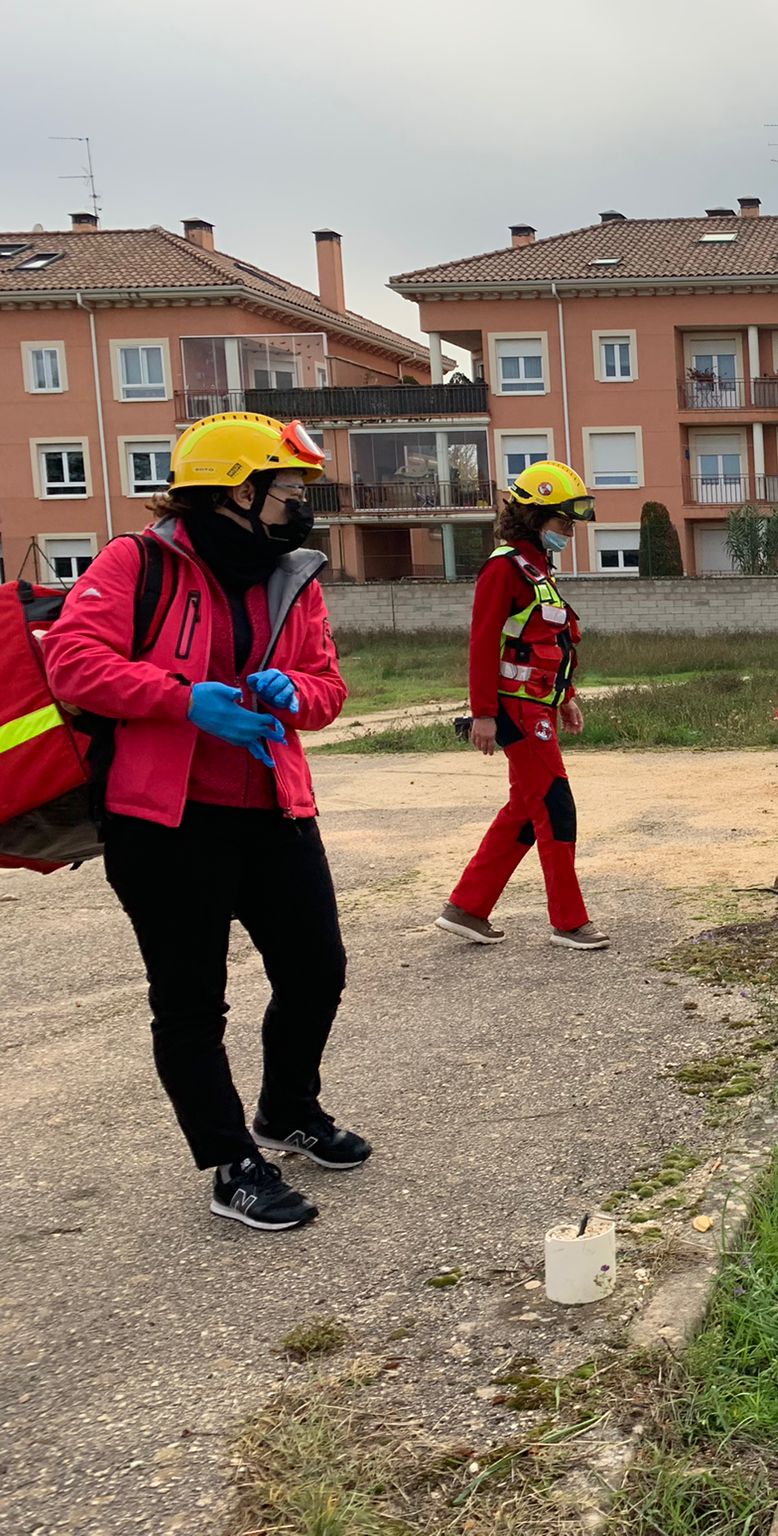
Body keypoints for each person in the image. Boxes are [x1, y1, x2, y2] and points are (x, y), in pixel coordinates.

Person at [40, 412, 362, 1232]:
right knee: (191, 1005)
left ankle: (287, 1110)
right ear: (236, 492)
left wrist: (299, 692)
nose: (300, 507)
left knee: (316, 970)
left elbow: (326, 687)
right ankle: (230, 1163)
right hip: (165, 821)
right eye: (288, 491)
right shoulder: (135, 561)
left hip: (273, 805)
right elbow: (72, 661)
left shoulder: (294, 576)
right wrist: (184, 701)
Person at [436, 462, 608, 950]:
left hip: (537, 708)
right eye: (562, 523)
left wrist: (567, 698)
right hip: (514, 712)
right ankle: (569, 922)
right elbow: (483, 642)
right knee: (556, 806)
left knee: (523, 810)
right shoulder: (503, 568)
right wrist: (483, 714)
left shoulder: (538, 573)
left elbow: (549, 643)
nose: (568, 534)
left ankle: (467, 908)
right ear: (534, 517)